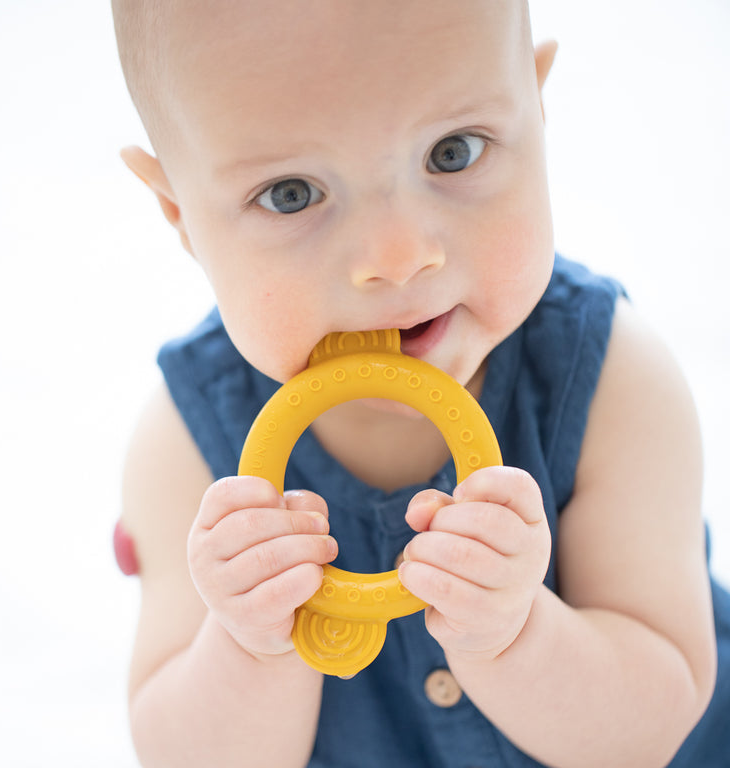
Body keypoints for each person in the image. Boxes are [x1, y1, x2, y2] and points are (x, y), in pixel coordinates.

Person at [110, 1, 729, 766]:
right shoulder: (185, 443)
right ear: (180, 214)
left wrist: (516, 636)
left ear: (535, 107)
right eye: (292, 194)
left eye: (453, 152)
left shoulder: (610, 380)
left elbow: (655, 724)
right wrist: (250, 642)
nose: (397, 257)